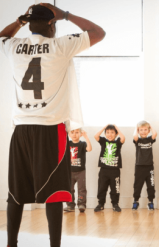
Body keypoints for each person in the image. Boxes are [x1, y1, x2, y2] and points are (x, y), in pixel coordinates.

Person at [0, 3, 105, 246]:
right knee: (55, 192)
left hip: (21, 129)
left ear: (28, 22)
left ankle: (11, 243)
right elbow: (98, 32)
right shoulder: (60, 45)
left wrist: (19, 21)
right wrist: (66, 15)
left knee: (16, 193)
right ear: (52, 23)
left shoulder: (14, 47)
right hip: (51, 128)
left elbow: (3, 36)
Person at [94, 124, 125, 213]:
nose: (109, 134)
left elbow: (123, 138)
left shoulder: (118, 142)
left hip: (115, 170)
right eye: (107, 132)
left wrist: (117, 128)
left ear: (116, 134)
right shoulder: (103, 141)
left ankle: (115, 204)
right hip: (104, 170)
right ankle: (101, 204)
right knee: (101, 187)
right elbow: (96, 136)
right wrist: (104, 127)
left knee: (115, 188)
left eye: (112, 132)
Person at [64, 129, 92, 213]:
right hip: (70, 171)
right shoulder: (67, 143)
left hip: (80, 171)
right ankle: (70, 205)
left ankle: (81, 204)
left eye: (76, 132)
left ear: (80, 134)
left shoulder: (82, 144)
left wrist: (86, 137)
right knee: (70, 189)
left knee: (81, 189)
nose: (74, 135)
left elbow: (89, 149)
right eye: (72, 132)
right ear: (69, 134)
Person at [132, 121, 157, 211]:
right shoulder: (138, 140)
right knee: (137, 185)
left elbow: (155, 134)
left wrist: (150, 126)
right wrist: (136, 128)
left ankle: (150, 201)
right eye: (141, 130)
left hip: (149, 167)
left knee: (151, 185)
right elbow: (135, 136)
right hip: (139, 166)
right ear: (138, 131)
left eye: (145, 130)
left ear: (148, 130)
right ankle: (136, 201)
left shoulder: (150, 139)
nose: (143, 131)